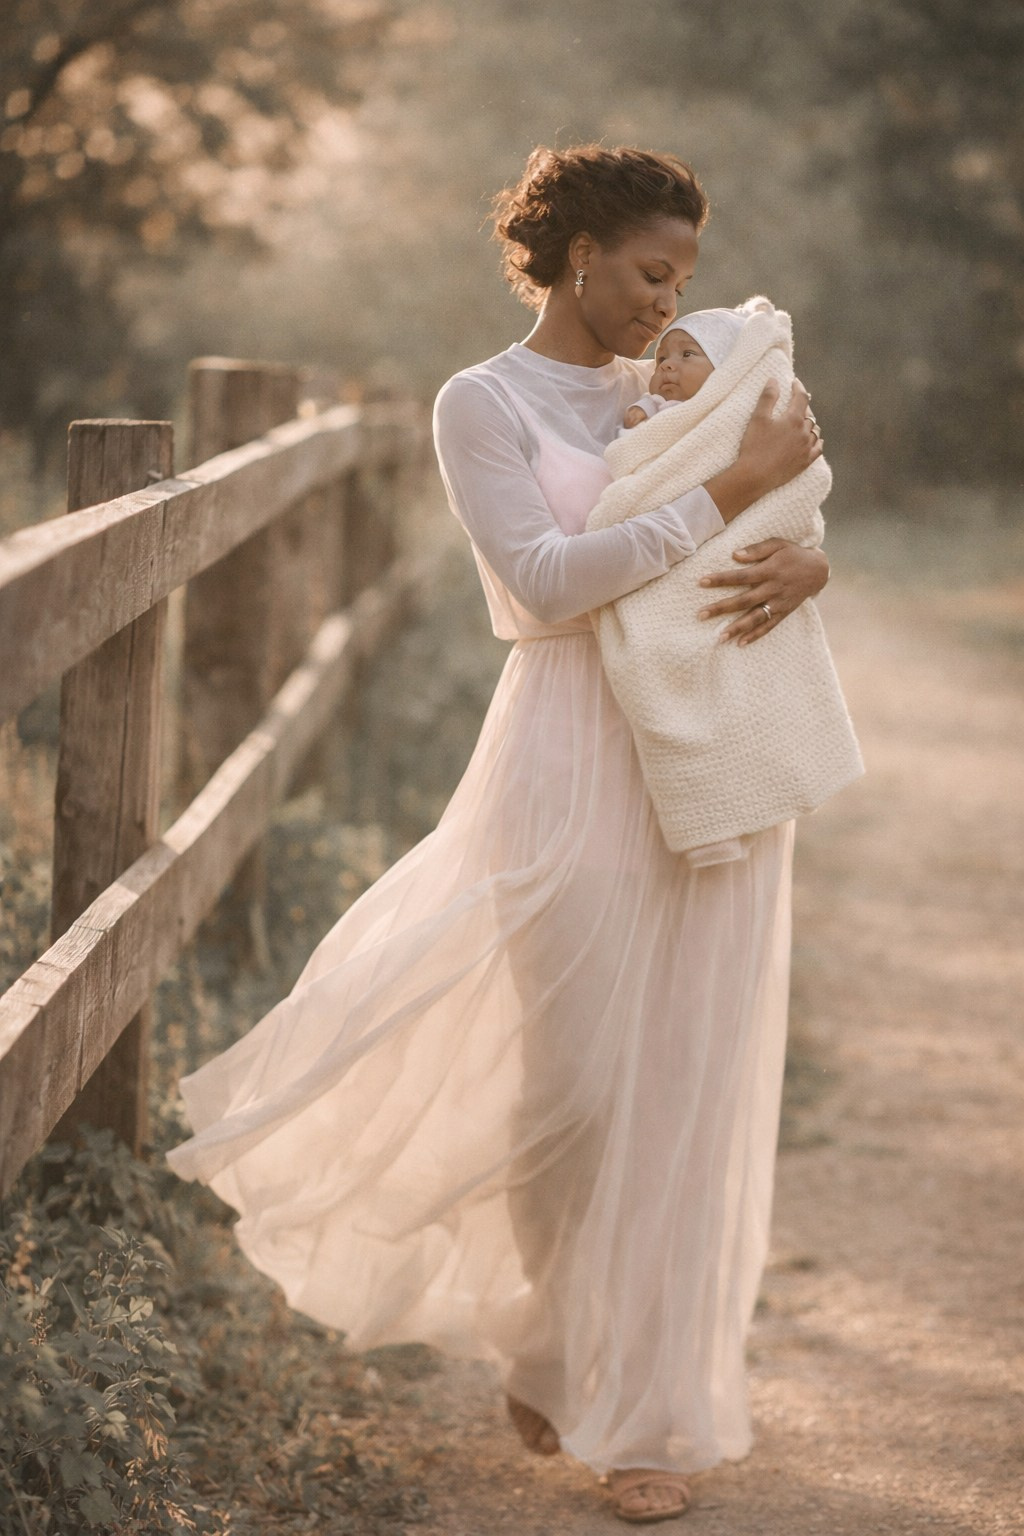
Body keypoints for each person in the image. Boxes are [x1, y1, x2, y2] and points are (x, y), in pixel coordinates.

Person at [166, 143, 828, 1526]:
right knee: (573, 1088)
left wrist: (804, 544)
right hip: (571, 756)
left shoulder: (697, 380)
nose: (671, 299)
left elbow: (787, 509)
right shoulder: (486, 402)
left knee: (684, 1088)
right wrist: (723, 489)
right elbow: (538, 587)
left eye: (687, 277)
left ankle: (646, 1420)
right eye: (654, 271)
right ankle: (544, 1335)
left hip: (707, 756)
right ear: (579, 254)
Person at [585, 297, 862, 873]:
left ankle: (737, 801)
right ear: (585, 256)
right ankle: (706, 811)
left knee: (730, 659)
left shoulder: (739, 410)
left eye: (688, 354)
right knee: (664, 656)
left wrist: (812, 560)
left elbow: (796, 480)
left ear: (731, 373)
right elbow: (645, 456)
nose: (666, 364)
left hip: (714, 563)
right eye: (664, 357)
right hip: (602, 654)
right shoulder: (644, 398)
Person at [619, 305, 743, 430]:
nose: (665, 365)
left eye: (687, 354)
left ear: (723, 368)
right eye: (662, 359)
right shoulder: (658, 403)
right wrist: (640, 410)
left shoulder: (729, 411)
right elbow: (649, 403)